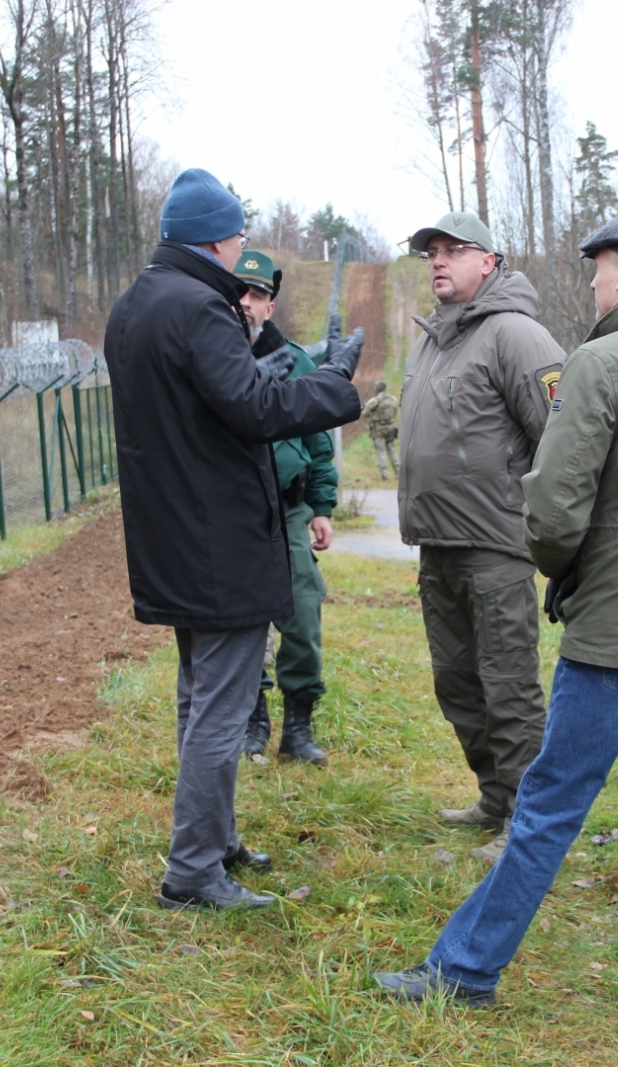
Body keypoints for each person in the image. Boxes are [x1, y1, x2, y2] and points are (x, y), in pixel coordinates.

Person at [376, 210, 618, 1034]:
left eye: (596, 269)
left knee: (547, 802)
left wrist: (560, 570)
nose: (589, 283)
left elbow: (550, 510)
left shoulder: (602, 362)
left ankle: (465, 967)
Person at [103, 168, 362, 911]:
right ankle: (193, 872)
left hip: (171, 537)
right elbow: (251, 409)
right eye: (239, 235)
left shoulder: (134, 307)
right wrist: (334, 383)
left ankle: (212, 840)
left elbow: (199, 410)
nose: (243, 246)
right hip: (218, 542)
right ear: (216, 239)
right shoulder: (200, 306)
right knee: (221, 707)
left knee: (200, 698)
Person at [397, 211, 567, 863]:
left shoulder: (516, 336)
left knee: (508, 685)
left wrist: (555, 536)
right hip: (436, 544)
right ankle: (496, 797)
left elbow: (563, 439)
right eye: (430, 251)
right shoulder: (433, 338)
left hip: (496, 545)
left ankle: (529, 827)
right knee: (457, 680)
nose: (438, 260)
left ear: (489, 261)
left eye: (453, 250)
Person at [226, 250, 341, 766]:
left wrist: (321, 506)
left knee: (302, 608)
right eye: (239, 293)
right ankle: (252, 717)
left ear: (270, 307)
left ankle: (299, 723)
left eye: (257, 295)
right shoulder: (212, 359)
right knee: (238, 617)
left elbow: (317, 440)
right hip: (233, 512)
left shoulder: (295, 362)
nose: (247, 303)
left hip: (289, 507)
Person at [361, 380, 400, 480]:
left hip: (378, 429)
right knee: (392, 450)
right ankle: (398, 473)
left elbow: (365, 413)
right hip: (390, 428)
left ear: (377, 388)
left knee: (381, 452)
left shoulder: (375, 400)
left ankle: (384, 475)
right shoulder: (393, 399)